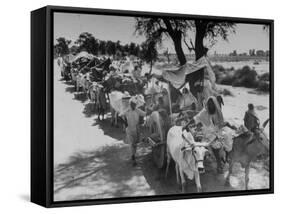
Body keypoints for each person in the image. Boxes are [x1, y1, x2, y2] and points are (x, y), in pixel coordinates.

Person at [122, 98, 146, 166]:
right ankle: (133, 158)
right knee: (132, 143)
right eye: (133, 104)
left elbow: (144, 114)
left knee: (135, 143)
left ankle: (134, 154)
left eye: (135, 105)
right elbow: (120, 115)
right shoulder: (127, 110)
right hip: (129, 129)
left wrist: (149, 109)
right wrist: (125, 123)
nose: (134, 106)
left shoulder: (137, 110)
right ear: (130, 104)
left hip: (136, 129)